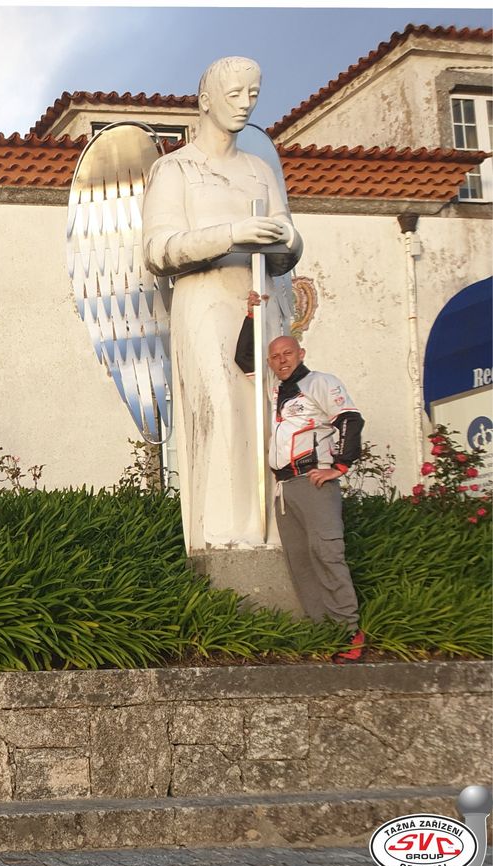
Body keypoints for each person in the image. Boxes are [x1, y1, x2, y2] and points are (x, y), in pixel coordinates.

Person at [143, 56, 302, 551]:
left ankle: (270, 534)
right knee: (221, 408)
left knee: (267, 411)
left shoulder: (259, 170)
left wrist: (285, 240)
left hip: (259, 300)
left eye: (252, 94)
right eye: (234, 94)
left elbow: (289, 241)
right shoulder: (175, 169)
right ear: (206, 101)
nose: (245, 104)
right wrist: (232, 233)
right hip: (206, 301)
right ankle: (222, 536)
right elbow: (158, 251)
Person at [266, 335, 367, 663]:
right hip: (284, 487)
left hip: (313, 481)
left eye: (288, 353)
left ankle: (349, 631)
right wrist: (252, 315)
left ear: (301, 353)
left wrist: (340, 465)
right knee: (301, 561)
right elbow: (245, 360)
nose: (282, 360)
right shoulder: (273, 391)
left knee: (327, 553)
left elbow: (350, 419)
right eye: (275, 356)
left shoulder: (319, 382)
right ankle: (325, 633)